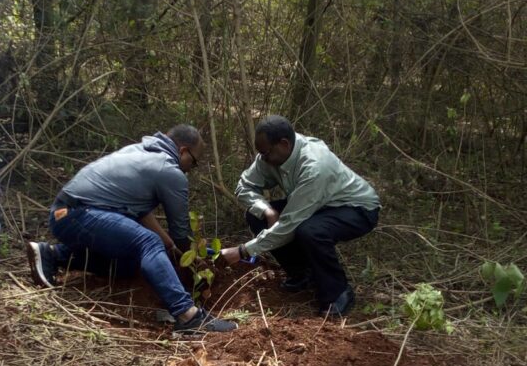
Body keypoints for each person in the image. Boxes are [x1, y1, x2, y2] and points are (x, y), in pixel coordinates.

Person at [25, 126, 237, 335]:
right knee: (149, 243)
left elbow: (142, 214)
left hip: (63, 214)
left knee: (128, 264)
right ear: (183, 150)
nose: (191, 168)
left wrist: (171, 247)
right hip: (79, 213)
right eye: (194, 161)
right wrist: (195, 259)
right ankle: (188, 315)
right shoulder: (169, 170)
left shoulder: (139, 151)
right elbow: (180, 232)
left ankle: (53, 255)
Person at [221, 116, 380, 317]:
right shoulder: (269, 156)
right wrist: (266, 210)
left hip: (356, 208)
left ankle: (338, 292)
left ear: (284, 144)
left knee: (310, 231)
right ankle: (303, 274)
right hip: (314, 202)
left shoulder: (314, 165)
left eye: (266, 153)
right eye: (260, 153)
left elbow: (289, 225)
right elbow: (244, 186)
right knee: (258, 216)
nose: (263, 159)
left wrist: (243, 251)